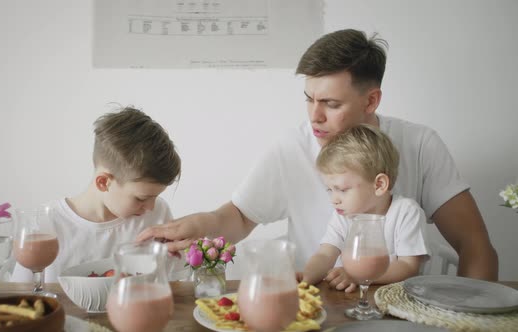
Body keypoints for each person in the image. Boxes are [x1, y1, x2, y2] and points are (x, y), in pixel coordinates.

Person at [137, 29, 498, 281]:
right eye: (309, 99)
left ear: (371, 100)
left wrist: (465, 318)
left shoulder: (420, 144)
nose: (314, 116)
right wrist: (195, 227)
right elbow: (237, 218)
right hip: (321, 309)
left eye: (331, 103)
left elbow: (475, 245)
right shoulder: (292, 147)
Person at [12, 105, 187, 282]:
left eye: (155, 197)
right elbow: (18, 294)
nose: (150, 207)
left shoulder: (158, 215)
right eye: (141, 198)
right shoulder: (47, 223)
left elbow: (174, 282)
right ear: (103, 182)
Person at [301, 124, 429, 292]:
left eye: (342, 190)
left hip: (398, 302)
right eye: (330, 190)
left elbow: (408, 267)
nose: (334, 200)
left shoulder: (406, 212)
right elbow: (325, 254)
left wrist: (356, 276)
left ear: (379, 184)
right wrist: (305, 278)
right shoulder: (344, 216)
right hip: (354, 302)